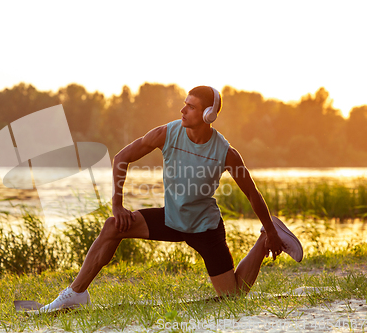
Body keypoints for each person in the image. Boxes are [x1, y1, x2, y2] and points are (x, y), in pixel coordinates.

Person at [40, 86, 303, 312]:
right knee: (112, 226)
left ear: (207, 114)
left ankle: (263, 240)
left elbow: (252, 194)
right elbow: (121, 158)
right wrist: (118, 205)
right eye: (184, 104)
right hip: (171, 218)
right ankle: (76, 294)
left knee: (232, 297)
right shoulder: (167, 133)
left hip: (205, 228)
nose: (182, 110)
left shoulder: (225, 152)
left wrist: (269, 231)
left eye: (190, 107)